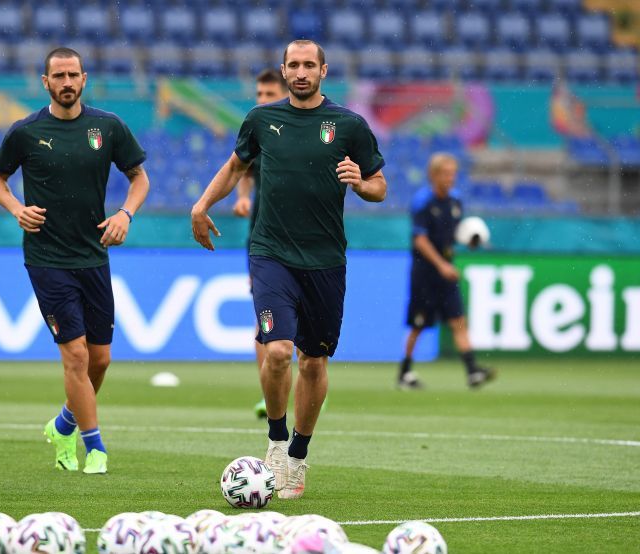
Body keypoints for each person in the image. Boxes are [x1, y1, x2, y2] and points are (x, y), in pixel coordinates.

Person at [192, 40, 387, 499]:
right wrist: (202, 204)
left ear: (323, 70)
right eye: (293, 65)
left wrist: (360, 182)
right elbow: (235, 166)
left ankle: (299, 455)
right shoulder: (262, 120)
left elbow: (379, 186)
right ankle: (276, 443)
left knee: (313, 360)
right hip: (271, 254)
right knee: (277, 350)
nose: (300, 72)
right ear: (284, 70)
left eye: (308, 66)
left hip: (325, 261)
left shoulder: (349, 125)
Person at [0, 47, 149, 475]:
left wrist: (125, 214)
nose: (67, 82)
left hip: (93, 256)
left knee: (100, 359)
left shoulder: (107, 127)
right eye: (58, 75)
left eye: (73, 74)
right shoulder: (25, 132)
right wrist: (16, 209)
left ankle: (64, 424)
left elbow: (139, 177)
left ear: (84, 78)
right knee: (75, 356)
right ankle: (94, 448)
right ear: (45, 83)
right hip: (47, 258)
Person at [397, 153, 496, 390]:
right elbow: (420, 240)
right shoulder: (423, 201)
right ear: (433, 175)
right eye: (445, 173)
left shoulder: (456, 201)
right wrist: (441, 265)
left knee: (458, 321)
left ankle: (472, 371)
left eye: (453, 173)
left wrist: (470, 241)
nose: (450, 178)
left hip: (447, 273)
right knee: (418, 325)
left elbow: (452, 235)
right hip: (425, 274)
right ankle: (405, 372)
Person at [230, 68, 289, 420]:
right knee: (263, 319)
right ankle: (268, 392)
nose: (262, 101)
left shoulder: (300, 130)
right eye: (259, 94)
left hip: (305, 241)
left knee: (308, 325)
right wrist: (242, 197)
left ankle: (311, 381)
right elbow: (242, 169)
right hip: (262, 241)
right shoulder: (259, 130)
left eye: (269, 94)